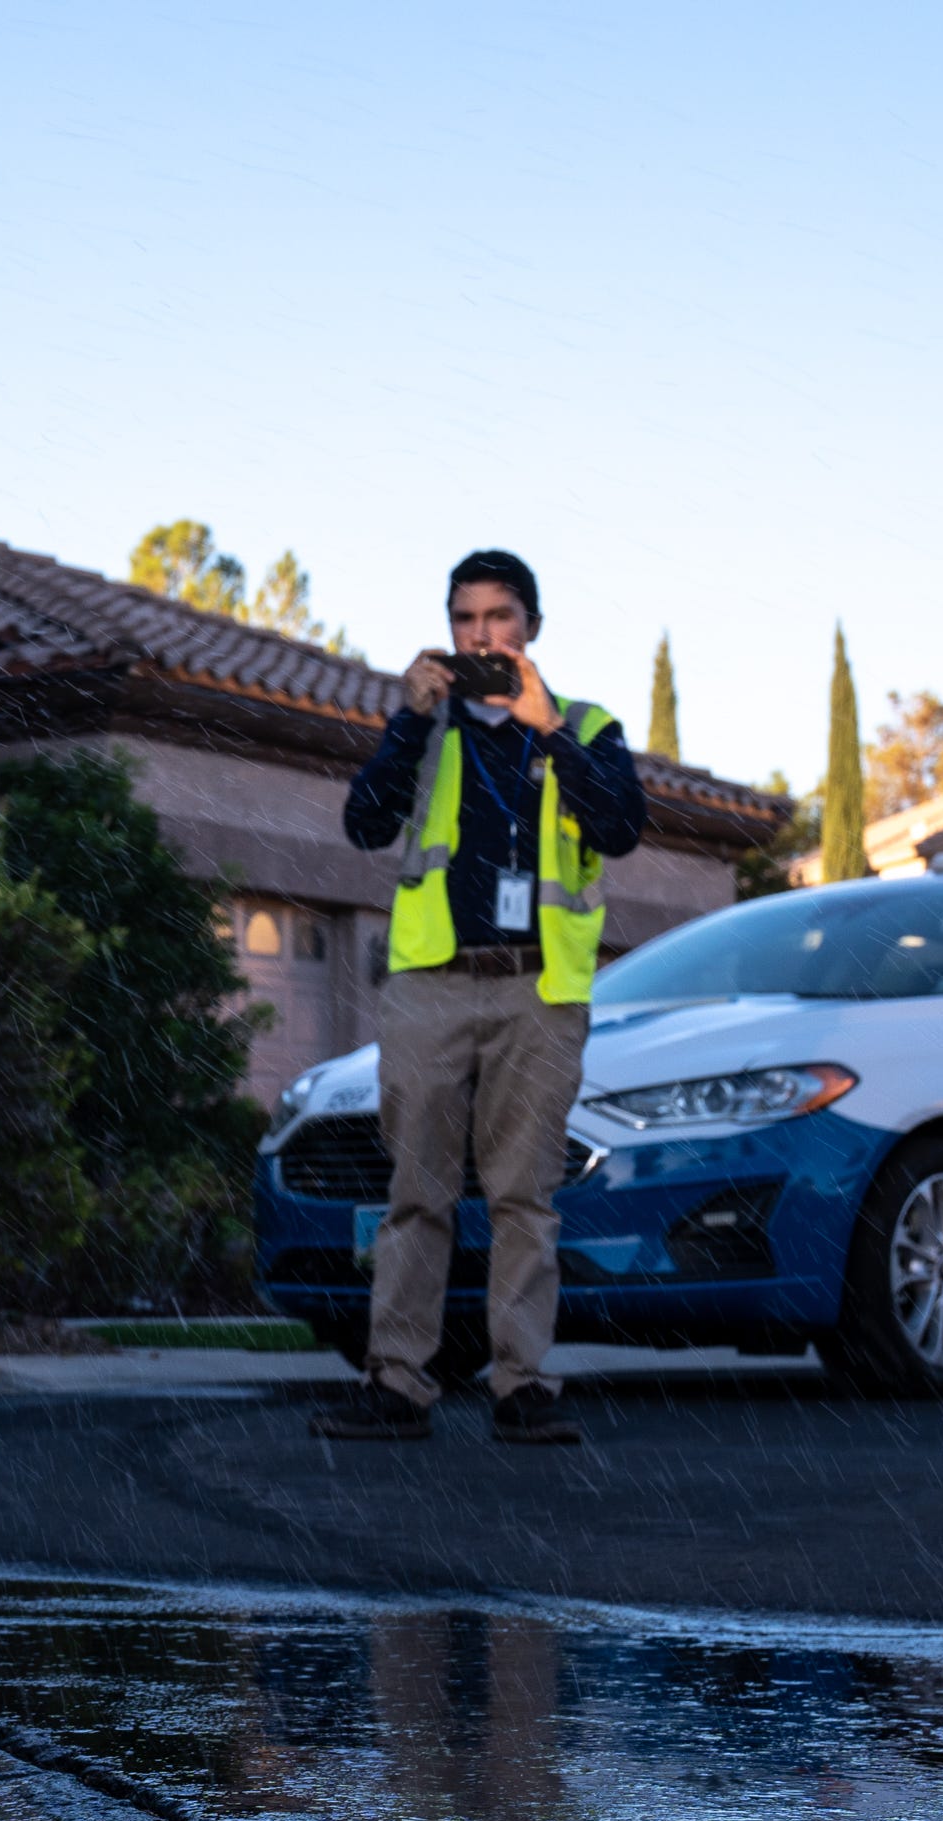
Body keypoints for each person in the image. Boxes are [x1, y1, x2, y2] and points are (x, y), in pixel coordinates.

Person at [309, 548, 643, 1447]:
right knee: (414, 1193)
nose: (481, 635)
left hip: (538, 990)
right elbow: (365, 823)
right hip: (431, 988)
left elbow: (619, 825)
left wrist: (548, 733)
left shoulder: (586, 724)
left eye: (499, 617)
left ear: (531, 625)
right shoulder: (429, 729)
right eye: (466, 620)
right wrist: (406, 722)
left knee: (522, 1198)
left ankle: (522, 1384)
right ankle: (397, 1381)